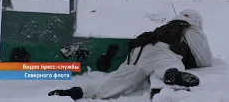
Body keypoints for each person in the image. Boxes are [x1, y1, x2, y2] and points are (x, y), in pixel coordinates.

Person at [48, 8, 213, 100]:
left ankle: (78, 92)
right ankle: (171, 74)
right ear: (197, 21)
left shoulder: (165, 28)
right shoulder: (192, 30)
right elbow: (204, 60)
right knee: (172, 63)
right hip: (161, 52)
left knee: (111, 84)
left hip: (137, 52)